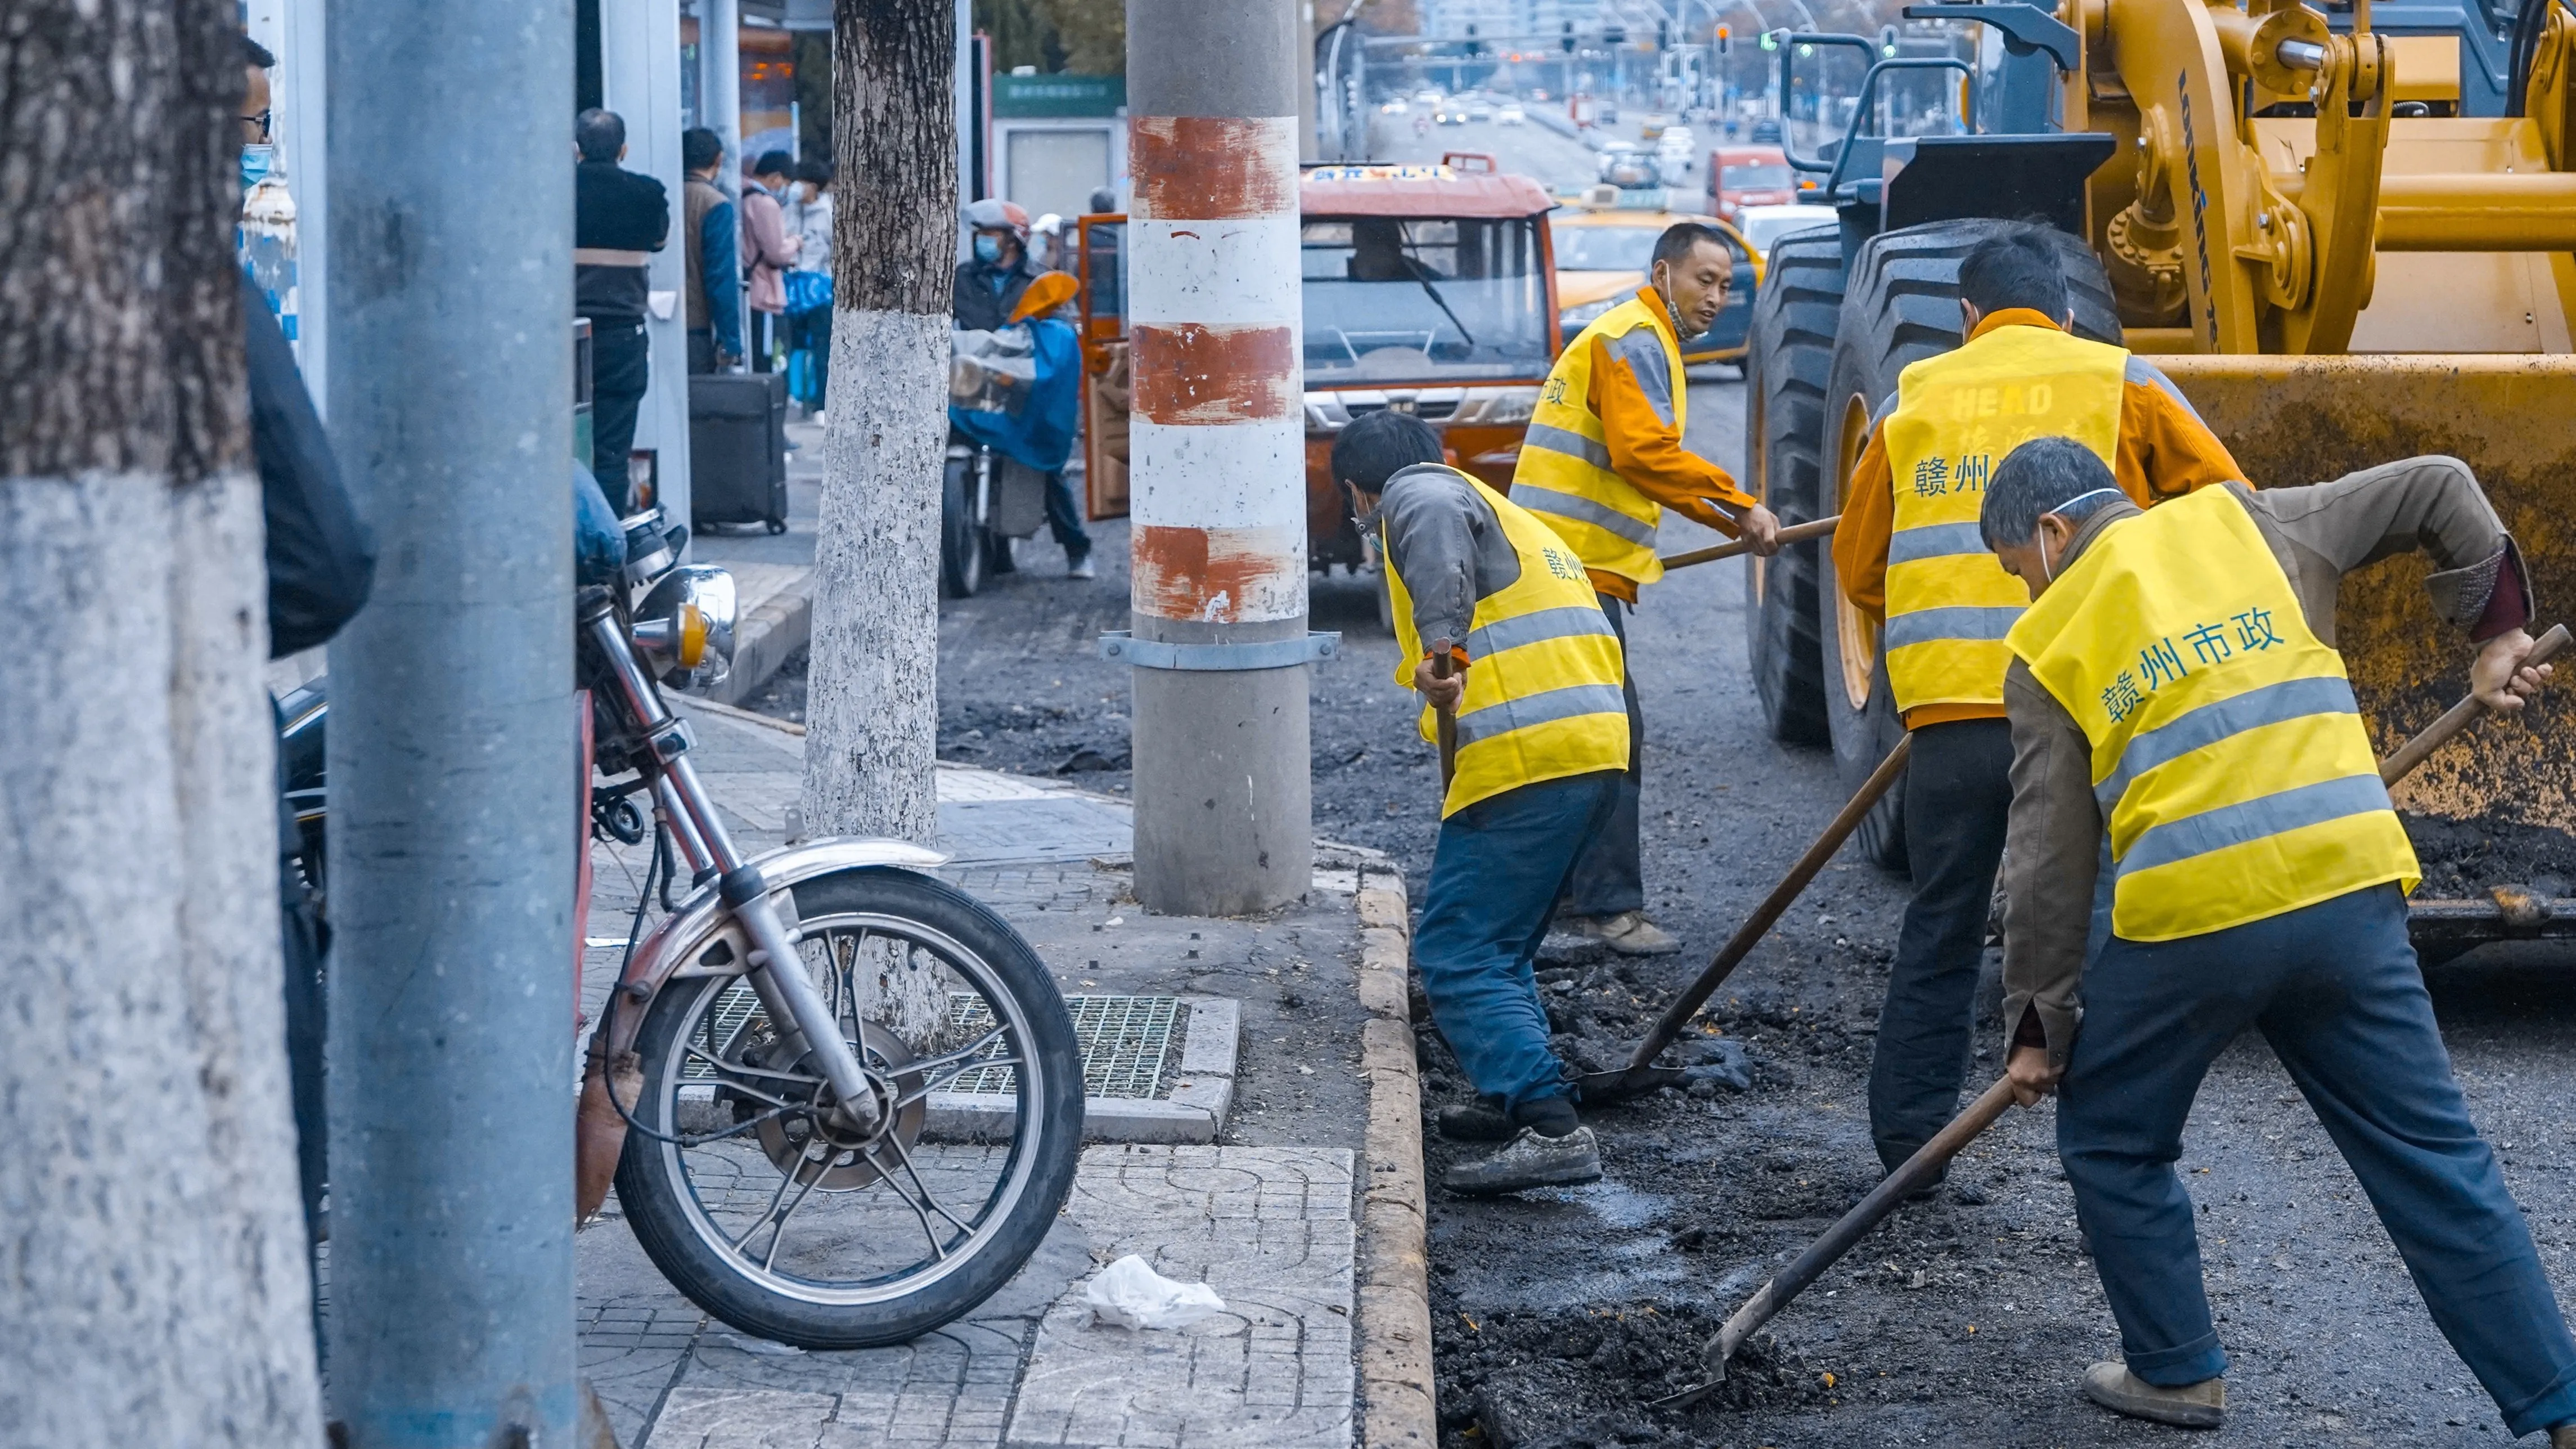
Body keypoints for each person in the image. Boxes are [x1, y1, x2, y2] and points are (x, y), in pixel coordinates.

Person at [1982, 438, 2576, 1438]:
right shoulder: (2253, 519)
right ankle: (2559, 1402)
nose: (2022, 594)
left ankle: (2174, 1374)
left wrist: (2039, 1023)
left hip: (2190, 927)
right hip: (2347, 894)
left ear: (2049, 533)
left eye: (2016, 571)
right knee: (2432, 1156)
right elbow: (2436, 483)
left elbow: (2047, 859)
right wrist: (2494, 632)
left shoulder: (2046, 642)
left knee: (2110, 1137)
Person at [1830, 224, 2244, 1182]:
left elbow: (1857, 570)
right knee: (2096, 925)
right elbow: (2227, 510)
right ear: (2063, 309)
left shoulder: (1910, 401)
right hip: (2089, 706)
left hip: (1949, 728)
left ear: (1964, 318)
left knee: (1940, 919)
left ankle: (1909, 1146)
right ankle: (2107, 1139)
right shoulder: (2121, 381)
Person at [1336, 409, 1628, 1196]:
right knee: (1502, 947)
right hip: (1587, 748)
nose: (1364, 517)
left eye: (1359, 502)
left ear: (1363, 489)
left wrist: (1443, 650)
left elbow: (1423, 520)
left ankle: (1549, 1125)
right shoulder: (1509, 515)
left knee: (1459, 950)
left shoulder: (1420, 493)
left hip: (1524, 755)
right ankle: (1516, 1092)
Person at [1513, 221, 1779, 955]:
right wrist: (1736, 507)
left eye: (1726, 286)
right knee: (1609, 736)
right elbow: (1643, 453)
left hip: (1563, 568)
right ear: (1662, 272)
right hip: (1566, 572)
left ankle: (1570, 899)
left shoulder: (1636, 335)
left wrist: (1725, 514)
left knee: (1582, 736)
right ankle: (1605, 910)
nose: (1716, 298)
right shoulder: (1632, 336)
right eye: (1704, 279)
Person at [954, 196, 1093, 576]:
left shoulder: (1040, 281)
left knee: (1045, 463)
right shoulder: (962, 279)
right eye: (979, 234)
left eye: (991, 234)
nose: (983, 241)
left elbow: (1063, 329)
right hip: (972, 381)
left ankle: (1076, 548)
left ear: (1014, 238)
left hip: (1022, 388)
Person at [573, 107, 669, 512]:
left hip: (564, 336)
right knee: (612, 451)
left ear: (576, 150)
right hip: (623, 336)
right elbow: (660, 243)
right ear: (623, 150)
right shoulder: (647, 195)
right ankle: (605, 555)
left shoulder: (551, 192)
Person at [680, 128, 742, 373]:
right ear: (718, 160)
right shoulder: (715, 204)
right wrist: (730, 340)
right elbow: (721, 276)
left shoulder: (663, 194)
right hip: (697, 327)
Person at [784, 158, 835, 420]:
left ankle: (820, 404)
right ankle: (791, 395)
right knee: (789, 345)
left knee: (821, 346)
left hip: (819, 287)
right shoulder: (788, 210)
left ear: (813, 187)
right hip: (792, 284)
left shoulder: (828, 213)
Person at [742, 150, 801, 374]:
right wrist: (795, 242)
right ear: (776, 177)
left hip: (748, 289)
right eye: (785, 182)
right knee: (770, 360)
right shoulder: (766, 204)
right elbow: (776, 253)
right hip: (764, 293)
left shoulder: (741, 194)